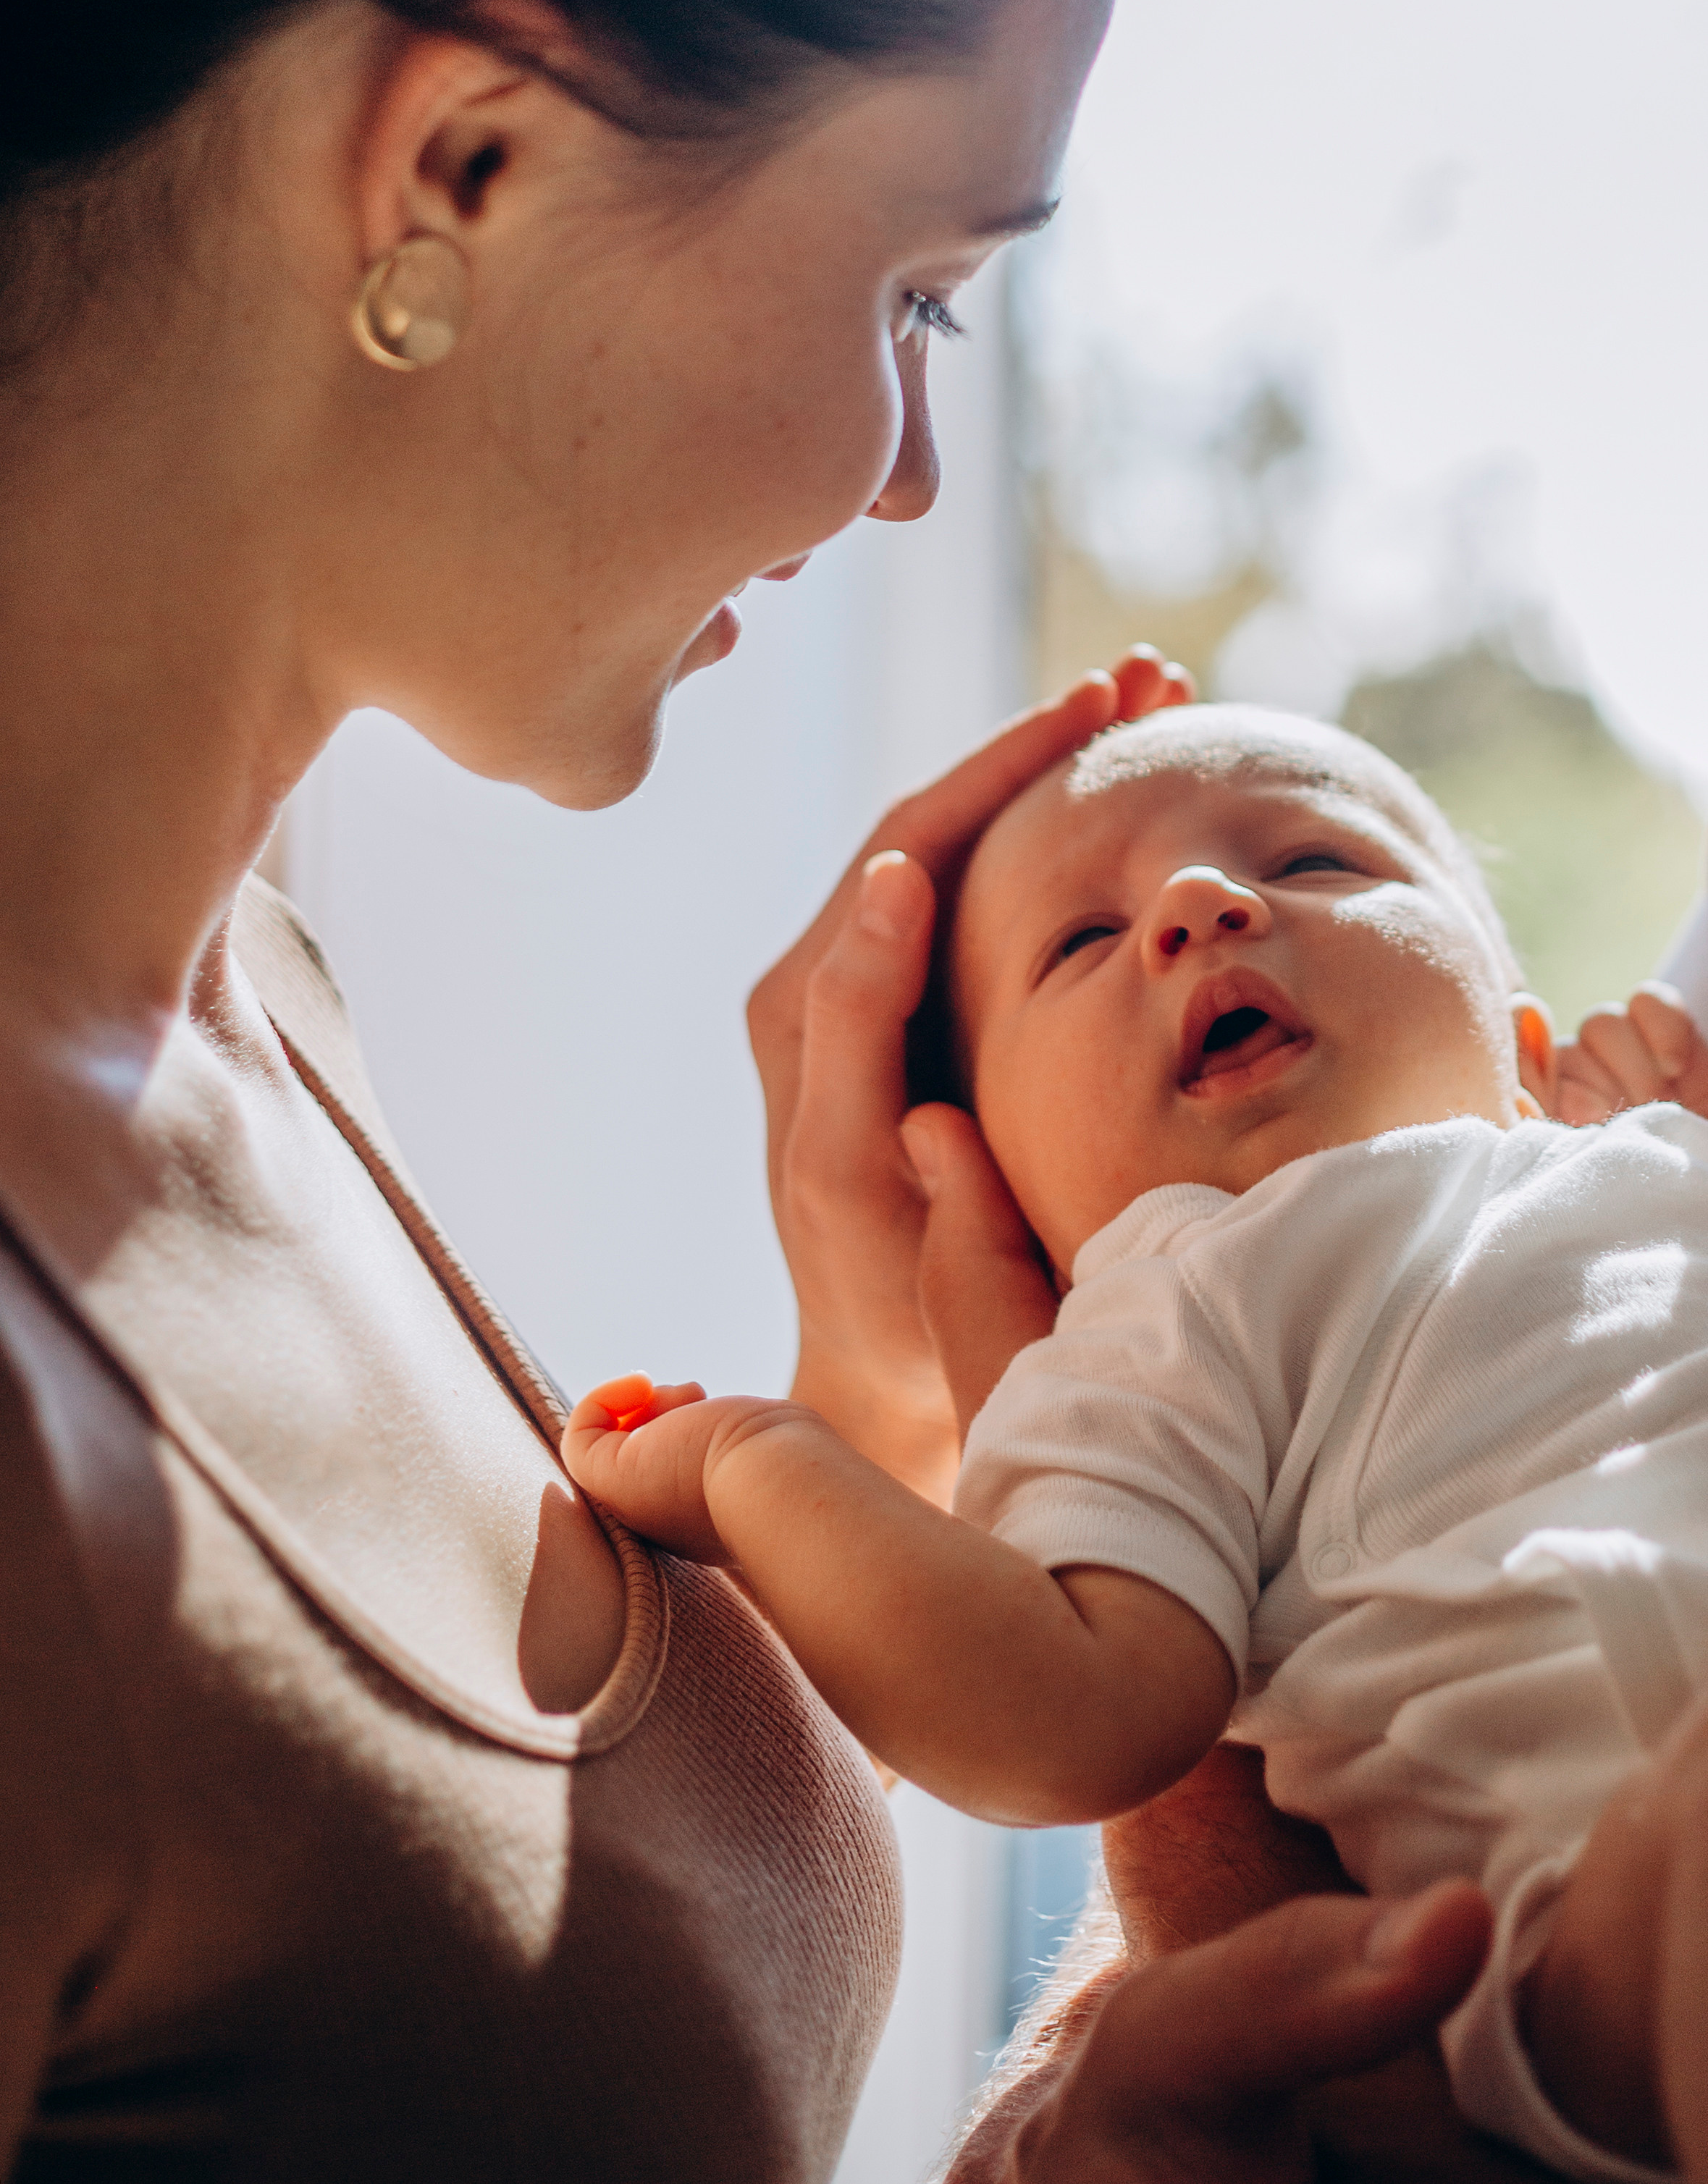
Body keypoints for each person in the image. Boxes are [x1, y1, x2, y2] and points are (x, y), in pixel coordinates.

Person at [0, 0, 1518, 2175]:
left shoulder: (244, 990)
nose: (916, 473)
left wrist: (903, 1411)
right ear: (457, 161)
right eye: (919, 289)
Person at [573, 705, 1708, 2179]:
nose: (1198, 903)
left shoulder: (1636, 1161)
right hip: (1614, 1915)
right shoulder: (1171, 1301)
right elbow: (1070, 1710)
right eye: (1078, 944)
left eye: (1315, 854)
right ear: (1023, 1209)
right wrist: (767, 1464)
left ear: (1525, 1042)